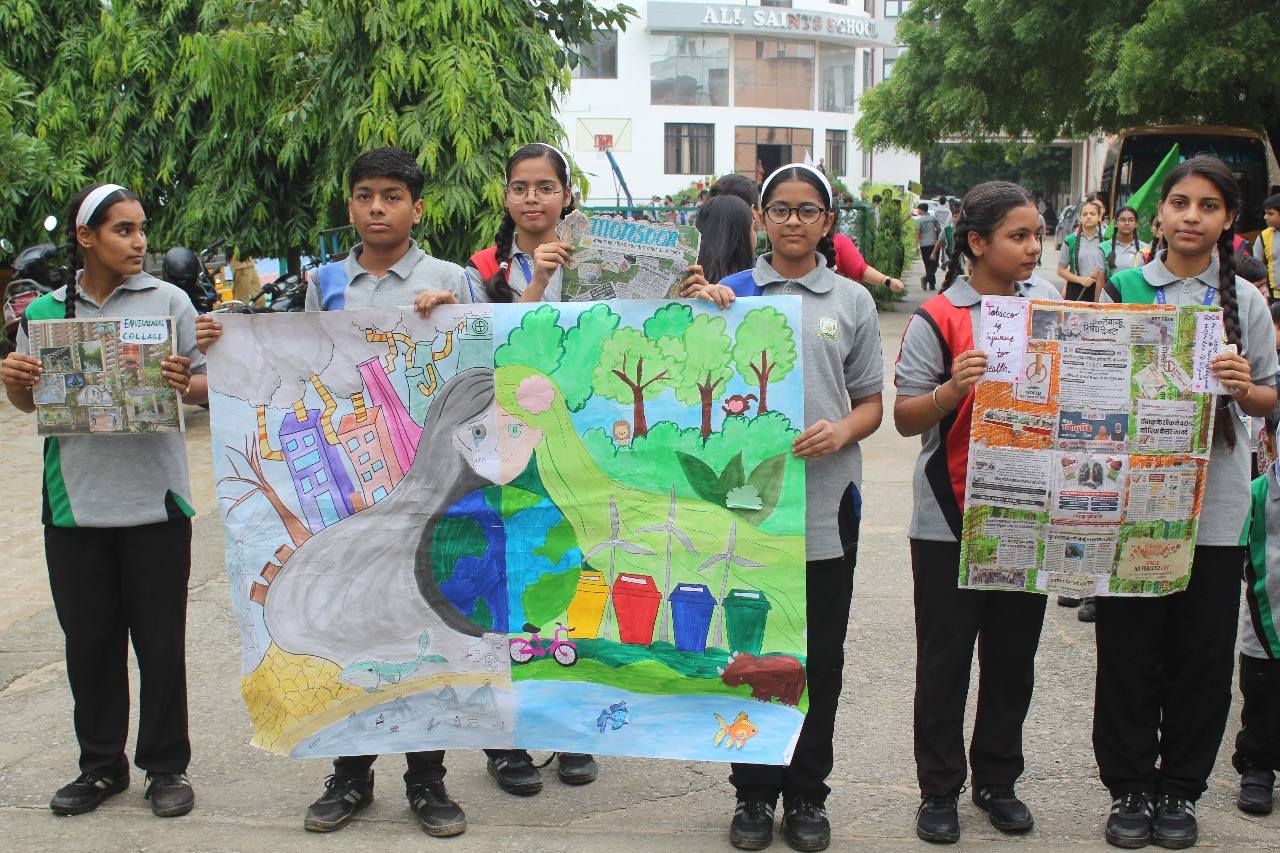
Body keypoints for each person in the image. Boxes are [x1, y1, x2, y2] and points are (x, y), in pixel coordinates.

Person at [198, 147, 473, 836]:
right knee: (352, 614)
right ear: (350, 204)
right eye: (364, 195)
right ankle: (350, 773)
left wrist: (450, 316)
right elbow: (302, 359)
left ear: (416, 208)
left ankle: (427, 777)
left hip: (421, 471)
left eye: (391, 196)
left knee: (414, 617)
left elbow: (477, 355)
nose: (377, 208)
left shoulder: (449, 277)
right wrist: (223, 344)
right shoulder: (325, 282)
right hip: (350, 479)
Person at [1, 183, 207, 818]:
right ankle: (100, 767)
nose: (139, 241)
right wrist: (15, 380)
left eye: (142, 228)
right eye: (123, 230)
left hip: (157, 505)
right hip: (75, 508)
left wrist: (187, 381)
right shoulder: (44, 315)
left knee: (160, 644)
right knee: (88, 644)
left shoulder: (168, 301)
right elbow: (27, 403)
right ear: (86, 237)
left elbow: (208, 382)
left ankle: (166, 767)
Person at [696, 163, 885, 852]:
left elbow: (872, 403)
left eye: (808, 210)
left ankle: (807, 794)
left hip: (826, 508)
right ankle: (752, 793)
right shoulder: (732, 294)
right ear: (760, 218)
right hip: (747, 512)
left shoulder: (852, 300)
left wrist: (842, 430)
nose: (794, 221)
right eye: (780, 208)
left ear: (827, 222)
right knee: (750, 653)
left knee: (820, 659)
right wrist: (700, 307)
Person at [1097, 155, 1279, 849]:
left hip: (1215, 508)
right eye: (1180, 203)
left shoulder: (1247, 301)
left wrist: (1242, 385)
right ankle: (1129, 786)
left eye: (1208, 206)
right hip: (1130, 505)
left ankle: (1179, 789)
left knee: (1201, 657)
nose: (1192, 217)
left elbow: (1267, 397)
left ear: (1229, 219)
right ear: (1159, 214)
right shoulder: (1123, 288)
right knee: (1128, 651)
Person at [893, 181, 1060, 845]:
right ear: (976, 242)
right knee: (945, 661)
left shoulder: (1050, 305)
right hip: (948, 515)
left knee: (1013, 659)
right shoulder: (938, 317)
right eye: (1018, 236)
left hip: (1028, 514)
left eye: (1036, 235)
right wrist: (952, 389)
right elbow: (906, 417)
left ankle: (997, 780)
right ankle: (939, 789)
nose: (1033, 247)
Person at [1235, 403, 1280, 817]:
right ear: (1269, 441)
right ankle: (1257, 767)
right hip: (1267, 623)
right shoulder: (1256, 494)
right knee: (1263, 698)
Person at [1058, 198, 1106, 301]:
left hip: (1099, 289)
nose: (1088, 216)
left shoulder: (1106, 242)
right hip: (1075, 290)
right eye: (1085, 214)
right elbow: (1061, 270)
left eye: (1092, 214)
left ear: (1099, 217)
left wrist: (1101, 273)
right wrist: (1081, 280)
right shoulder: (1070, 240)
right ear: (1080, 218)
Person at [1100, 206, 1148, 281]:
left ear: (1136, 224)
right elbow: (1100, 280)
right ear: (1116, 223)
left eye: (1131, 220)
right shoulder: (1104, 247)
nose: (1126, 223)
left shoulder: (1145, 249)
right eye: (1122, 220)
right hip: (1112, 288)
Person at [1252, 193, 1280, 302]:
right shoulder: (1264, 235)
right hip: (1273, 295)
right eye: (1265, 213)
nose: (1265, 217)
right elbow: (1256, 265)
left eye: (1270, 213)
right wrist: (1262, 288)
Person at [914, 203, 944, 290]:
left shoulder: (919, 220)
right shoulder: (933, 219)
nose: (918, 211)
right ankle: (931, 283)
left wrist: (916, 246)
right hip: (933, 243)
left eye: (918, 209)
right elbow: (939, 230)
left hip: (923, 245)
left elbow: (917, 233)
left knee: (927, 264)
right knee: (934, 264)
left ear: (922, 210)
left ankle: (927, 280)